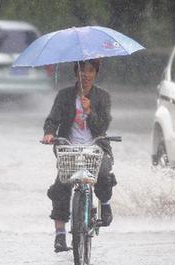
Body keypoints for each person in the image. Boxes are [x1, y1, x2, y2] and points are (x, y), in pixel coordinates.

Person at [42, 59, 116, 252]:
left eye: (90, 71)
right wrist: (49, 134)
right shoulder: (64, 96)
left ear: (96, 73)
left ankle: (105, 204)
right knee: (61, 185)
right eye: (82, 70)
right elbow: (52, 120)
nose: (86, 75)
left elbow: (102, 127)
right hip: (69, 148)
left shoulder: (103, 97)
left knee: (104, 174)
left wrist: (90, 111)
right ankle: (59, 235)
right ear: (76, 73)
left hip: (95, 147)